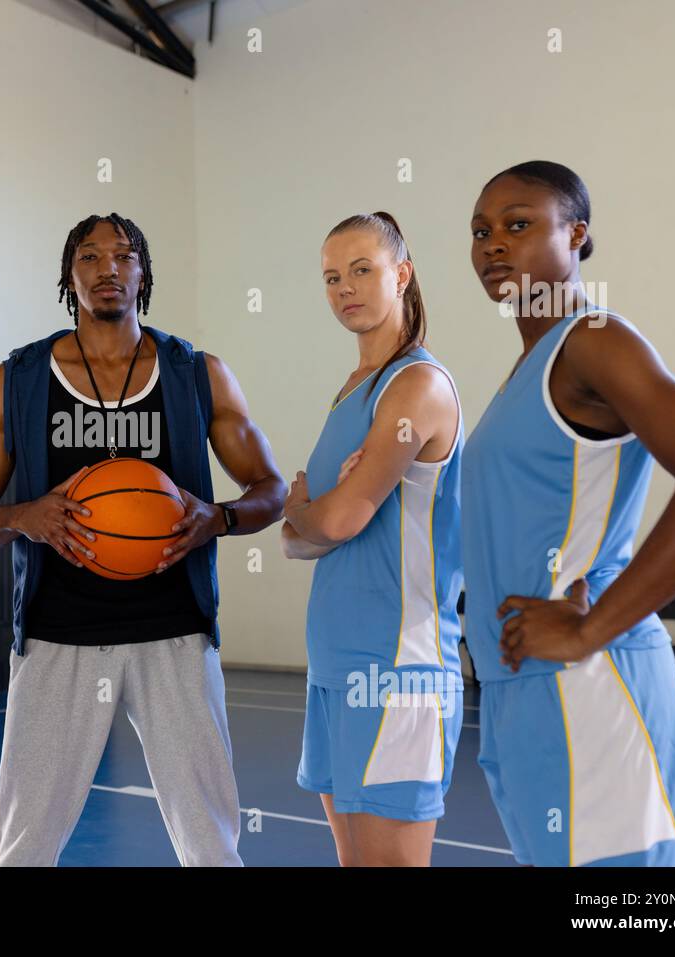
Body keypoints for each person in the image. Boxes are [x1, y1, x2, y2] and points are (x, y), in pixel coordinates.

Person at [0, 212, 286, 866]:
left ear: (144, 272)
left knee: (211, 843)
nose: (109, 267)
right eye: (90, 256)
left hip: (174, 633)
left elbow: (270, 488)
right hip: (58, 635)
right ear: (67, 274)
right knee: (23, 846)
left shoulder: (198, 374)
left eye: (125, 255)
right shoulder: (17, 379)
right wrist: (25, 517)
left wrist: (215, 517)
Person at [463, 160, 675, 866]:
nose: (493, 243)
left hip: (588, 678)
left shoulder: (593, 340)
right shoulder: (527, 369)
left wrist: (593, 625)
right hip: (519, 684)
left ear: (577, 234)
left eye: (519, 223)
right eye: (480, 230)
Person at [283, 211, 464, 866]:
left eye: (362, 269)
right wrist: (311, 516)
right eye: (332, 276)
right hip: (335, 661)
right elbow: (297, 540)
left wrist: (310, 510)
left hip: (399, 668)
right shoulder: (351, 392)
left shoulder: (417, 385)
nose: (345, 287)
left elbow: (333, 523)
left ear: (402, 274)